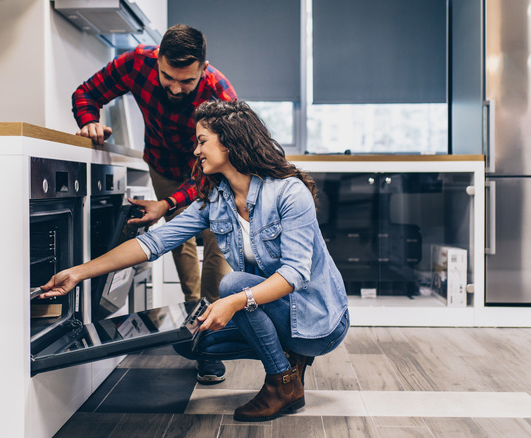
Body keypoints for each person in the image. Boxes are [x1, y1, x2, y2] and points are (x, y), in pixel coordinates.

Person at [41, 100, 350, 422]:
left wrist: (233, 302)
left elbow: (295, 273)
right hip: (274, 310)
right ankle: (286, 356)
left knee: (232, 284)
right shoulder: (217, 200)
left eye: (202, 141)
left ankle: (281, 382)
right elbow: (154, 241)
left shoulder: (288, 192)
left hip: (319, 321)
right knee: (195, 344)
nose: (196, 151)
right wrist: (78, 273)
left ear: (230, 142)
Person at [71, 24, 235, 383]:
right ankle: (197, 319)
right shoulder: (136, 63)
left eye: (186, 81)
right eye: (167, 77)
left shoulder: (220, 92)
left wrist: (168, 202)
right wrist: (89, 122)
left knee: (217, 240)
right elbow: (85, 94)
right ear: (157, 60)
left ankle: (210, 338)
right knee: (179, 240)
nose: (175, 88)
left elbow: (221, 163)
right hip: (162, 164)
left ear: (203, 69)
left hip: (208, 170)